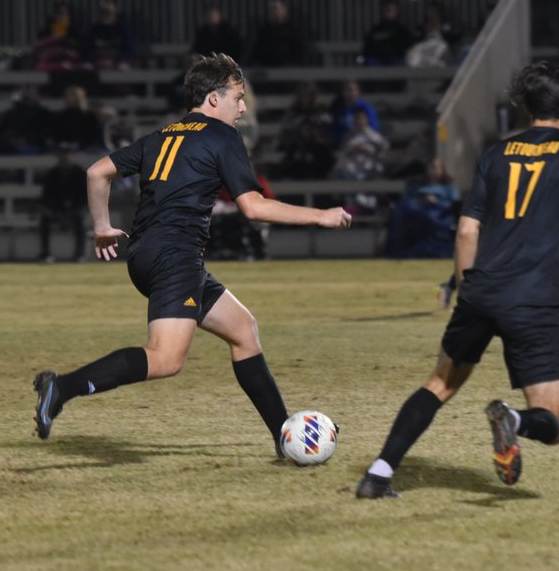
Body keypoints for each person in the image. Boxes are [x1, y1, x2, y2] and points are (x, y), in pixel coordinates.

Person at [32, 53, 352, 455]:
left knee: (243, 331)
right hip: (174, 256)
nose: (243, 106)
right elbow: (253, 208)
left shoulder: (164, 135)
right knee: (166, 358)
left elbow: (97, 172)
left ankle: (282, 438)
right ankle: (61, 388)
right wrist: (320, 216)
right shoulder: (222, 137)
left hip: (155, 254)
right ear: (214, 99)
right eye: (238, 96)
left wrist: (101, 227)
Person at [356, 61, 559, 498]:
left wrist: (466, 290)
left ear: (525, 108)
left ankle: (378, 473)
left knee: (441, 382)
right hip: (532, 298)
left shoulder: (496, 154)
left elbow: (468, 231)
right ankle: (515, 420)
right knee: (553, 422)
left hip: (481, 289)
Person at [38, 145, 88, 263]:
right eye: (62, 154)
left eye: (67, 154)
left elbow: (84, 197)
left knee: (80, 219)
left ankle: (80, 254)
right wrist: (58, 213)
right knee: (44, 220)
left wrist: (71, 211)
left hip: (75, 210)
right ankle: (45, 253)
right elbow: (46, 197)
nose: (65, 157)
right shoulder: (51, 174)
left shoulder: (80, 173)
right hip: (57, 210)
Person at [249, 0, 305, 67]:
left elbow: (298, 49)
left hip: (288, 64)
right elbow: (256, 49)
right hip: (265, 64)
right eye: (273, 9)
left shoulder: (292, 31)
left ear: (284, 12)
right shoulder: (263, 31)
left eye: (278, 9)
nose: (275, 12)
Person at [361, 0, 414, 66]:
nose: (389, 12)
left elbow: (407, 48)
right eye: (387, 9)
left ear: (396, 11)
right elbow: (368, 48)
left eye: (391, 9)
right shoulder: (375, 30)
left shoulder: (402, 31)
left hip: (397, 62)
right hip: (377, 63)